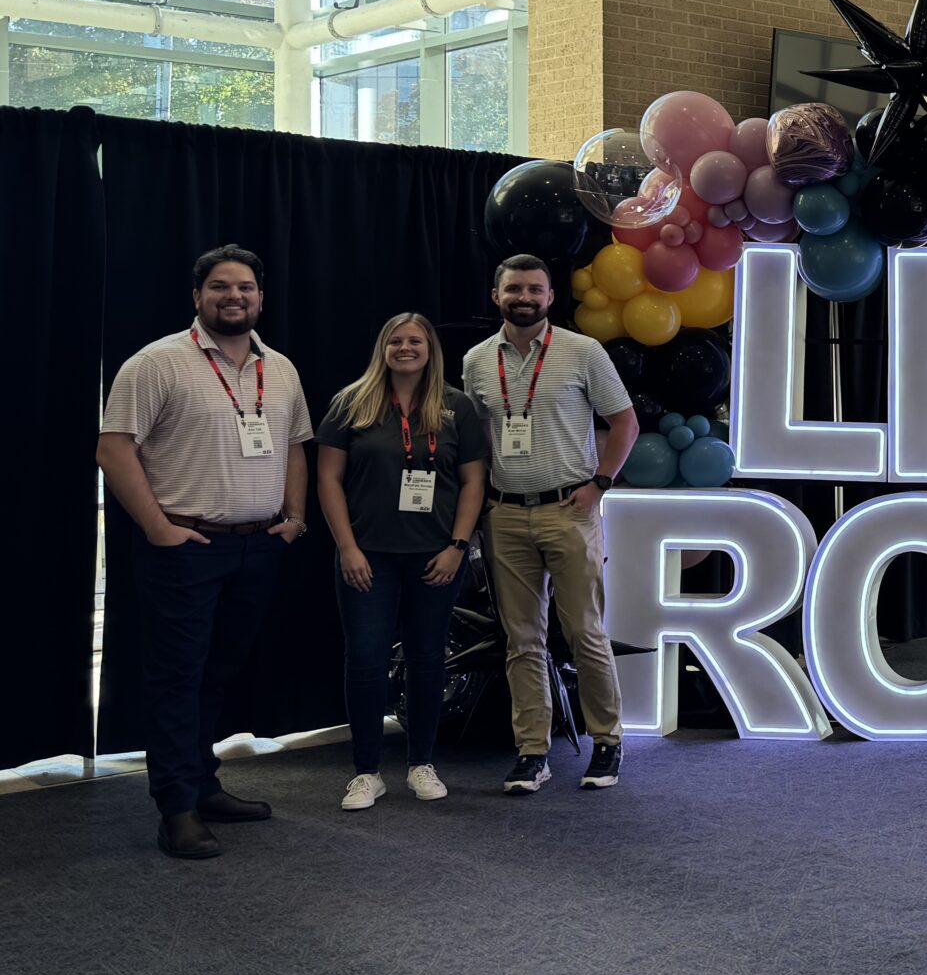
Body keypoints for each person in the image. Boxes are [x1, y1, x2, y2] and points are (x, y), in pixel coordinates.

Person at [97, 245, 313, 860]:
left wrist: (295, 517)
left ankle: (202, 783)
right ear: (198, 297)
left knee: (216, 676)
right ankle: (176, 809)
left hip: (257, 547)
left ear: (261, 298)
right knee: (176, 678)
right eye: (219, 287)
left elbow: (297, 444)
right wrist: (159, 528)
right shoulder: (158, 363)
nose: (233, 296)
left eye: (245, 287)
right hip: (185, 549)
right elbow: (114, 449)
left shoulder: (284, 369)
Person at [460, 254, 638, 795]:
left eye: (535, 289)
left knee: (584, 632)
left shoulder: (583, 352)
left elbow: (624, 422)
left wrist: (600, 483)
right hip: (507, 514)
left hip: (570, 510)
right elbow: (481, 434)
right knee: (522, 641)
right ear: (497, 296)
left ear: (550, 296)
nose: (525, 297)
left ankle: (606, 741)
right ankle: (531, 751)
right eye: (514, 288)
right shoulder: (474, 360)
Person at [316, 314, 489, 811]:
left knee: (427, 659)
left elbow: (474, 481)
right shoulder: (352, 403)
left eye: (415, 340)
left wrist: (458, 547)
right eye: (396, 340)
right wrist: (347, 547)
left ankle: (421, 763)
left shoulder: (456, 406)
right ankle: (367, 772)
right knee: (366, 660)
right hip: (366, 556)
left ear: (431, 349)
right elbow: (328, 479)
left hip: (436, 557)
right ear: (382, 348)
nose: (405, 347)